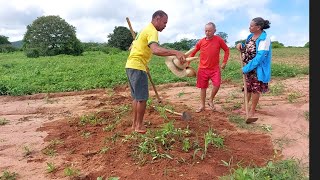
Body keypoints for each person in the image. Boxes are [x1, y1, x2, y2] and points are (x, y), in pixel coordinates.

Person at [125, 10, 187, 134]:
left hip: (131, 65)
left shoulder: (144, 30)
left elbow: (131, 47)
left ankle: (135, 124)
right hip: (137, 66)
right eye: (164, 22)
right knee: (142, 98)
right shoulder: (152, 30)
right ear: (157, 19)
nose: (165, 25)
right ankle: (139, 126)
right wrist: (176, 52)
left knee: (136, 98)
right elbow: (156, 50)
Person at [188, 22, 230, 113]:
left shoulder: (219, 40)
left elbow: (227, 50)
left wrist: (224, 62)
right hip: (202, 69)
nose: (207, 32)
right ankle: (202, 105)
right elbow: (193, 51)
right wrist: (188, 62)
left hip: (215, 69)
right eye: (206, 31)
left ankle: (210, 99)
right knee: (203, 88)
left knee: (217, 84)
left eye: (210, 31)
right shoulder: (201, 41)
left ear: (214, 30)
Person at [236, 17, 272, 120]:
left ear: (258, 27)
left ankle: (252, 110)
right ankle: (244, 108)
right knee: (247, 88)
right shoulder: (250, 36)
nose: (249, 27)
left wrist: (247, 68)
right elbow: (247, 48)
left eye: (251, 26)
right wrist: (240, 45)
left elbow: (260, 57)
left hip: (257, 69)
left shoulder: (264, 39)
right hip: (248, 67)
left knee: (255, 89)